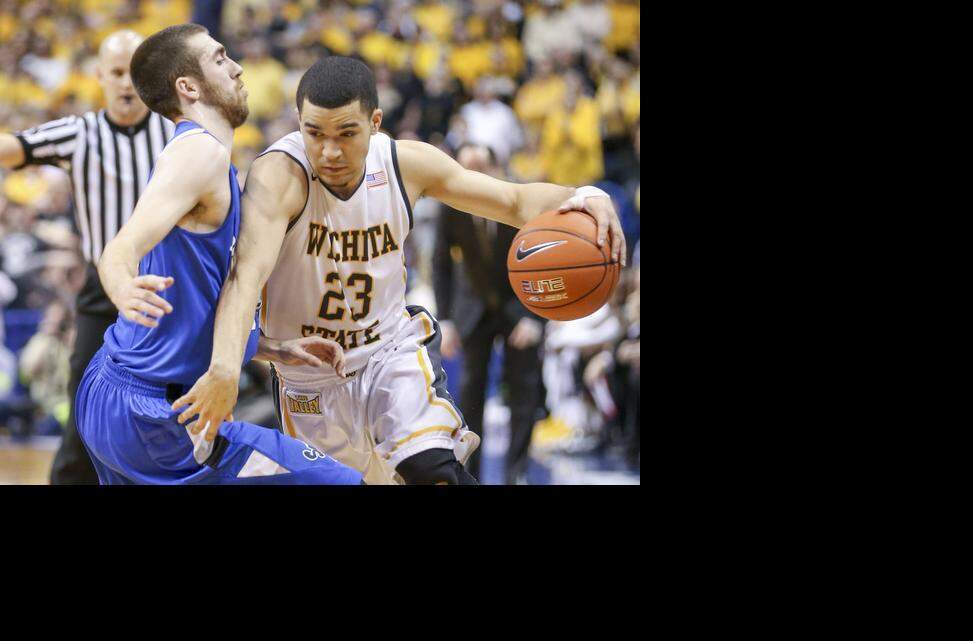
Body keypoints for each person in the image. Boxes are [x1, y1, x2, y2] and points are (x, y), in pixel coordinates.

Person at [175, 55, 625, 485]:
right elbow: (245, 278)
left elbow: (512, 201)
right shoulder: (279, 176)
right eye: (314, 133)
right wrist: (224, 371)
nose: (329, 151)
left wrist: (587, 194)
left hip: (389, 350)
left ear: (375, 123)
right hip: (310, 377)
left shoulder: (404, 163)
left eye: (346, 134)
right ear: (298, 122)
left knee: (434, 470)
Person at [75, 24, 362, 485]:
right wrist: (124, 285)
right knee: (339, 481)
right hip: (153, 412)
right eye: (220, 58)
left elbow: (196, 302)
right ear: (187, 87)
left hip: (118, 396)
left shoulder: (209, 159)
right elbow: (120, 248)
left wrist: (270, 348)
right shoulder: (199, 154)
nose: (238, 67)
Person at [0, 30, 177, 484]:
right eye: (116, 73)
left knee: (174, 411)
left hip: (170, 287)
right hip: (103, 292)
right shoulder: (80, 132)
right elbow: (12, 148)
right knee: (84, 407)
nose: (125, 83)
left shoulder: (178, 134)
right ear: (99, 76)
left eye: (135, 73)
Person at [433, 143, 544, 483]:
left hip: (518, 306)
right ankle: (471, 474)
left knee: (524, 390)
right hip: (473, 308)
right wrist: (447, 320)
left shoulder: (519, 199)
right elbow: (440, 263)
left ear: (496, 168)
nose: (473, 175)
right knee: (470, 392)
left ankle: (517, 473)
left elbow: (544, 260)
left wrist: (535, 317)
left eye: (480, 166)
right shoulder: (452, 204)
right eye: (466, 168)